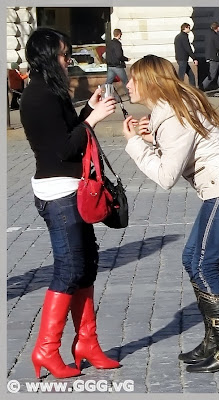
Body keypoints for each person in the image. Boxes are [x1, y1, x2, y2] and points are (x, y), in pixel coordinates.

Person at [122, 54, 219, 373]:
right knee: (192, 259)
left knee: (201, 262)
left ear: (149, 81)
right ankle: (214, 341)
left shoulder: (171, 115)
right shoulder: (168, 108)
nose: (126, 84)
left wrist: (135, 144)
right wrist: (148, 137)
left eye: (132, 79)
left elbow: (166, 177)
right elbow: (177, 149)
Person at [20, 27, 120, 379]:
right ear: (48, 57)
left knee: (87, 265)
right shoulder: (37, 96)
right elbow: (63, 149)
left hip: (71, 189)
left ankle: (87, 343)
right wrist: (92, 120)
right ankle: (46, 349)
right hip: (58, 193)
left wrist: (84, 113)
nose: (69, 61)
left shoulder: (52, 91)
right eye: (64, 55)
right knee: (69, 269)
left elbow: (67, 137)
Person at [200, 22, 219, 95]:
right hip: (214, 58)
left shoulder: (208, 35)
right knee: (212, 76)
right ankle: (201, 89)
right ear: (217, 28)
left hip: (210, 57)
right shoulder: (215, 36)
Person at [105, 28, 130, 98]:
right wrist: (126, 59)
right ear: (119, 34)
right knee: (125, 82)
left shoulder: (109, 43)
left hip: (110, 66)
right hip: (117, 66)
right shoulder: (117, 43)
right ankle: (131, 97)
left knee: (108, 83)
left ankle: (104, 95)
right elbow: (119, 56)